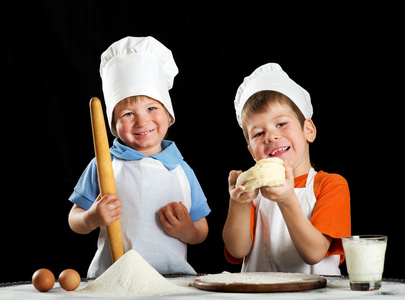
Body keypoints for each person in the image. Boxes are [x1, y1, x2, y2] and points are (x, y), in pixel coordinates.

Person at [68, 36, 210, 277]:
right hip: (112, 278)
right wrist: (93, 217)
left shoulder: (180, 169)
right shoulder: (105, 165)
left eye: (151, 108)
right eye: (127, 113)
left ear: (168, 114)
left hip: (172, 279)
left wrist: (187, 230)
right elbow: (75, 219)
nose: (142, 120)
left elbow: (202, 231)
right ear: (113, 123)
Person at [223, 63, 350, 275]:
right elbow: (237, 250)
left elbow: (314, 252)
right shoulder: (253, 192)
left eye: (281, 124)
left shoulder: (330, 185)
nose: (270, 136)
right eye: (258, 134)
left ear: (308, 130)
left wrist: (286, 199)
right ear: (253, 153)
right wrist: (239, 202)